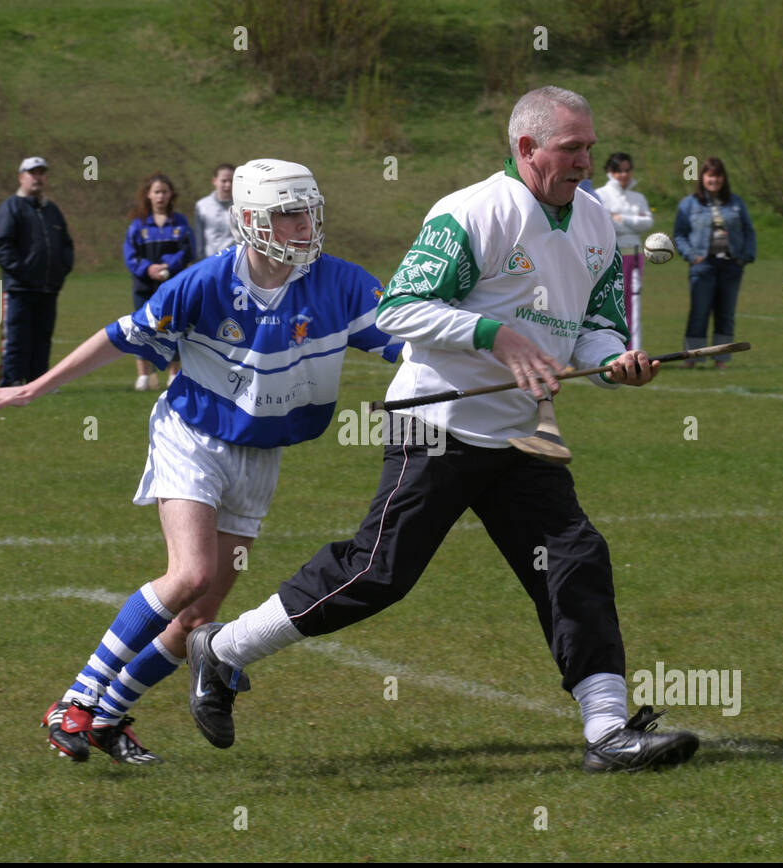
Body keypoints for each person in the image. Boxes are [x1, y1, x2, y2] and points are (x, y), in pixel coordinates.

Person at [184, 87, 700, 774]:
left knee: (576, 557)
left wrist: (615, 362)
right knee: (379, 571)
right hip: (438, 422)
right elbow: (400, 308)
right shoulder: (473, 212)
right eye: (570, 147)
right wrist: (497, 335)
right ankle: (221, 650)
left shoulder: (597, 222)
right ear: (525, 147)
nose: (585, 159)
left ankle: (608, 732)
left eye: (589, 145)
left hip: (520, 434)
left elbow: (596, 324)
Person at [0, 159, 401, 765]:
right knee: (189, 574)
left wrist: (500, 355)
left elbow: (414, 338)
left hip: (261, 452)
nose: (303, 226)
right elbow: (123, 336)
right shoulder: (203, 285)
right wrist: (38, 387)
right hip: (191, 435)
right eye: (287, 214)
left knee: (202, 614)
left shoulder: (344, 284)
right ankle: (75, 701)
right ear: (250, 221)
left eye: (308, 211)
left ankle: (108, 718)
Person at [0, 157, 74, 387]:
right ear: (21, 177)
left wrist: (60, 270)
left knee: (42, 338)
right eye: (32, 173)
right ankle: (11, 381)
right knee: (16, 338)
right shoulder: (12, 207)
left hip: (48, 288)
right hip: (19, 288)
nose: (37, 177)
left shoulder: (51, 210)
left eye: (41, 173)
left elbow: (66, 245)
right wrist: (22, 271)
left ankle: (38, 382)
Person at [673, 157, 755, 368]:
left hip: (731, 265)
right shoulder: (689, 203)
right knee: (699, 312)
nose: (714, 180)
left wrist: (744, 257)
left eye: (718, 175)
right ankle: (692, 358)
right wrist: (692, 256)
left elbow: (748, 231)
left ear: (724, 178)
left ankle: (721, 359)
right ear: (703, 178)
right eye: (710, 175)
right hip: (703, 265)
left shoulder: (736, 202)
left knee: (725, 313)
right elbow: (680, 235)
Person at [125, 172, 194, 391]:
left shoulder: (180, 222)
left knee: (172, 326)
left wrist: (167, 265)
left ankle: (174, 374)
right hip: (144, 286)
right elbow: (130, 255)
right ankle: (144, 376)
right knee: (141, 328)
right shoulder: (138, 224)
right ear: (148, 195)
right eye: (156, 192)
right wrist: (148, 268)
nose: (160, 196)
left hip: (172, 286)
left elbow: (187, 250)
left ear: (171, 194)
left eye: (164, 192)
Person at [596, 153, 653, 351]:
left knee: (633, 303)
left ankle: (632, 349)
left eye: (627, 170)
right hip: (612, 256)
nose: (624, 174)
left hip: (635, 255)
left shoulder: (638, 197)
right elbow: (606, 224)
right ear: (610, 172)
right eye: (619, 170)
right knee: (608, 303)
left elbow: (647, 223)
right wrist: (631, 221)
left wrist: (622, 219)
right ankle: (608, 348)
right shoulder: (600, 195)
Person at [194, 162, 237, 260]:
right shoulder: (202, 205)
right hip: (210, 261)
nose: (228, 185)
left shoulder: (242, 206)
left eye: (231, 181)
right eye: (224, 181)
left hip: (235, 261)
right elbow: (199, 238)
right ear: (214, 181)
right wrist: (200, 261)